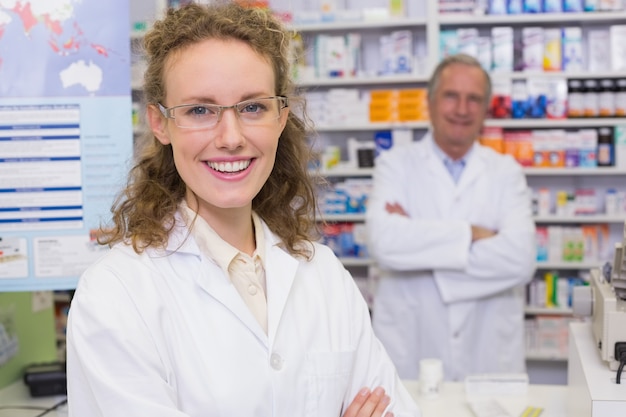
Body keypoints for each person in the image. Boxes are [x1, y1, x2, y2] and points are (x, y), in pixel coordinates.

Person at [65, 2, 420, 417]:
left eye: (253, 107)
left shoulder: (323, 275)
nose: (231, 137)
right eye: (200, 110)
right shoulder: (116, 295)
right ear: (160, 123)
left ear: (281, 117)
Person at [366, 53, 537, 382]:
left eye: (474, 99)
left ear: (486, 109)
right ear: (430, 102)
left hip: (488, 360)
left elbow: (520, 259)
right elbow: (384, 243)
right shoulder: (395, 165)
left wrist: (421, 245)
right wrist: (473, 233)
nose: (462, 109)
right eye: (451, 96)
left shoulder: (506, 172)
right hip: (411, 357)